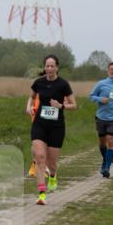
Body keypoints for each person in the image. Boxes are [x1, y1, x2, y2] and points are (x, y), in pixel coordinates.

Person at [26, 54, 76, 204]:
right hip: (39, 124)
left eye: (52, 66)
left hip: (56, 127)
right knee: (40, 158)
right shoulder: (38, 82)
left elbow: (74, 105)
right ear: (45, 67)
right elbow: (31, 97)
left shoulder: (63, 84)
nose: (49, 68)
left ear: (56, 67)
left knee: (51, 163)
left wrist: (61, 105)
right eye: (47, 66)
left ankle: (53, 176)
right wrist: (29, 107)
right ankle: (42, 194)